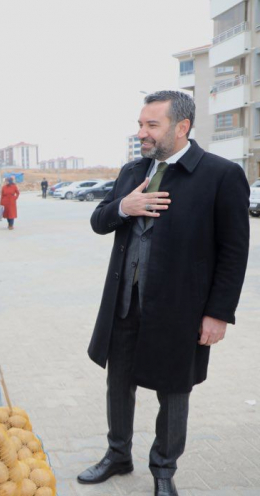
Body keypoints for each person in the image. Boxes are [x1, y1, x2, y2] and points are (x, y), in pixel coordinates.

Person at [80, 91, 249, 496]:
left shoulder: (220, 175)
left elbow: (233, 252)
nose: (142, 133)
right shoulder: (131, 171)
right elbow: (99, 221)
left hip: (180, 309)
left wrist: (218, 313)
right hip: (124, 303)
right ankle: (118, 454)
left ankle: (163, 470)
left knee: (173, 390)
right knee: (118, 383)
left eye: (151, 125)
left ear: (182, 127)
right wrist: (126, 205)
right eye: (140, 124)